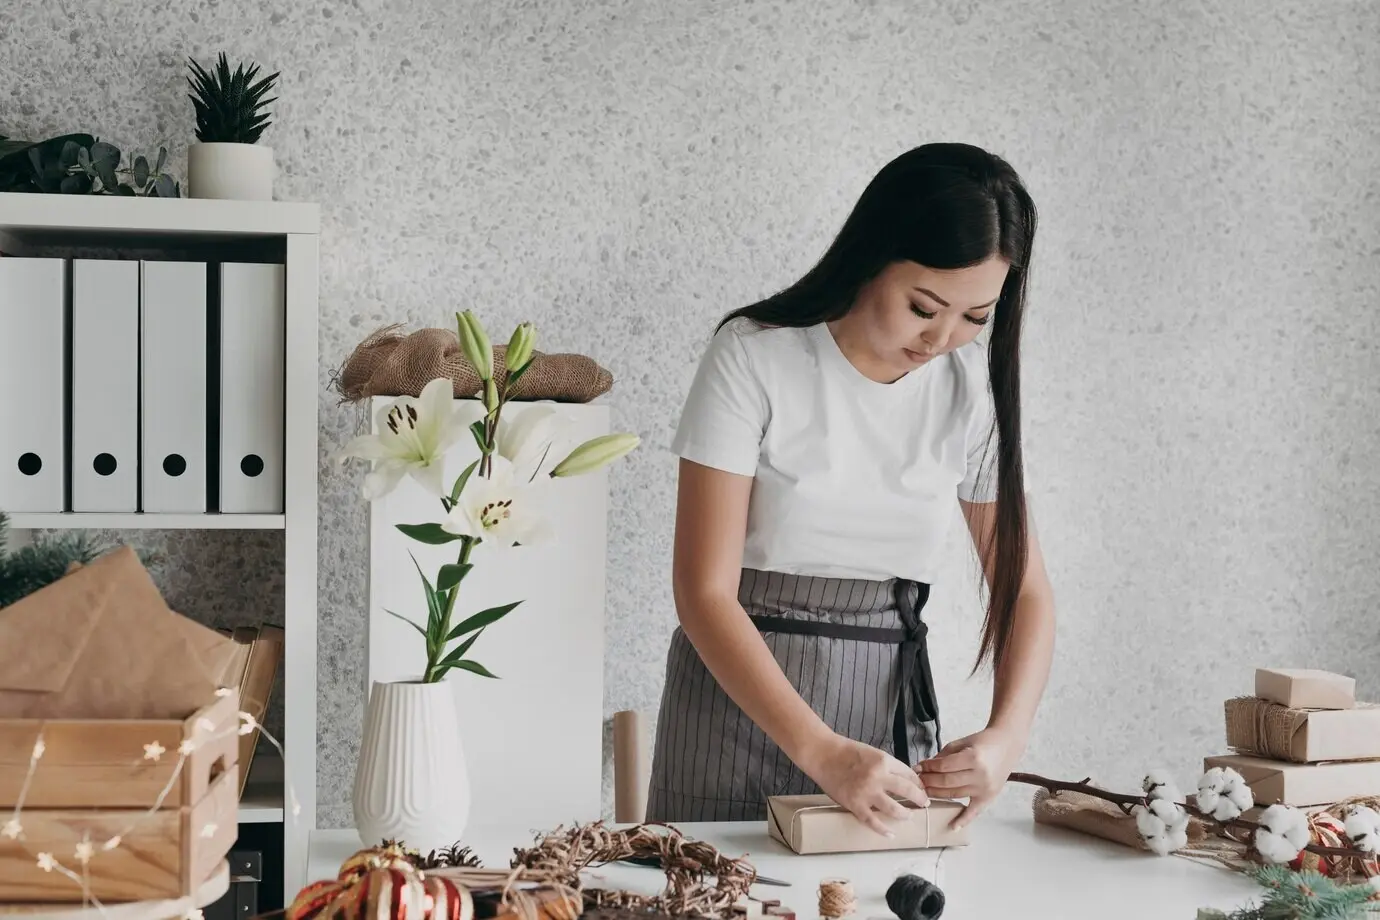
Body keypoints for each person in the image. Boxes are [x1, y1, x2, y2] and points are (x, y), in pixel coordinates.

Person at [645, 142, 1057, 837]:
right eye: (923, 306)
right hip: (732, 709)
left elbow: (1025, 590)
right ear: (872, 257)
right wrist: (821, 751)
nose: (941, 338)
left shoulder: (969, 392)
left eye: (974, 318)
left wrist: (1007, 737)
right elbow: (703, 592)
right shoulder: (753, 354)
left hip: (884, 720)